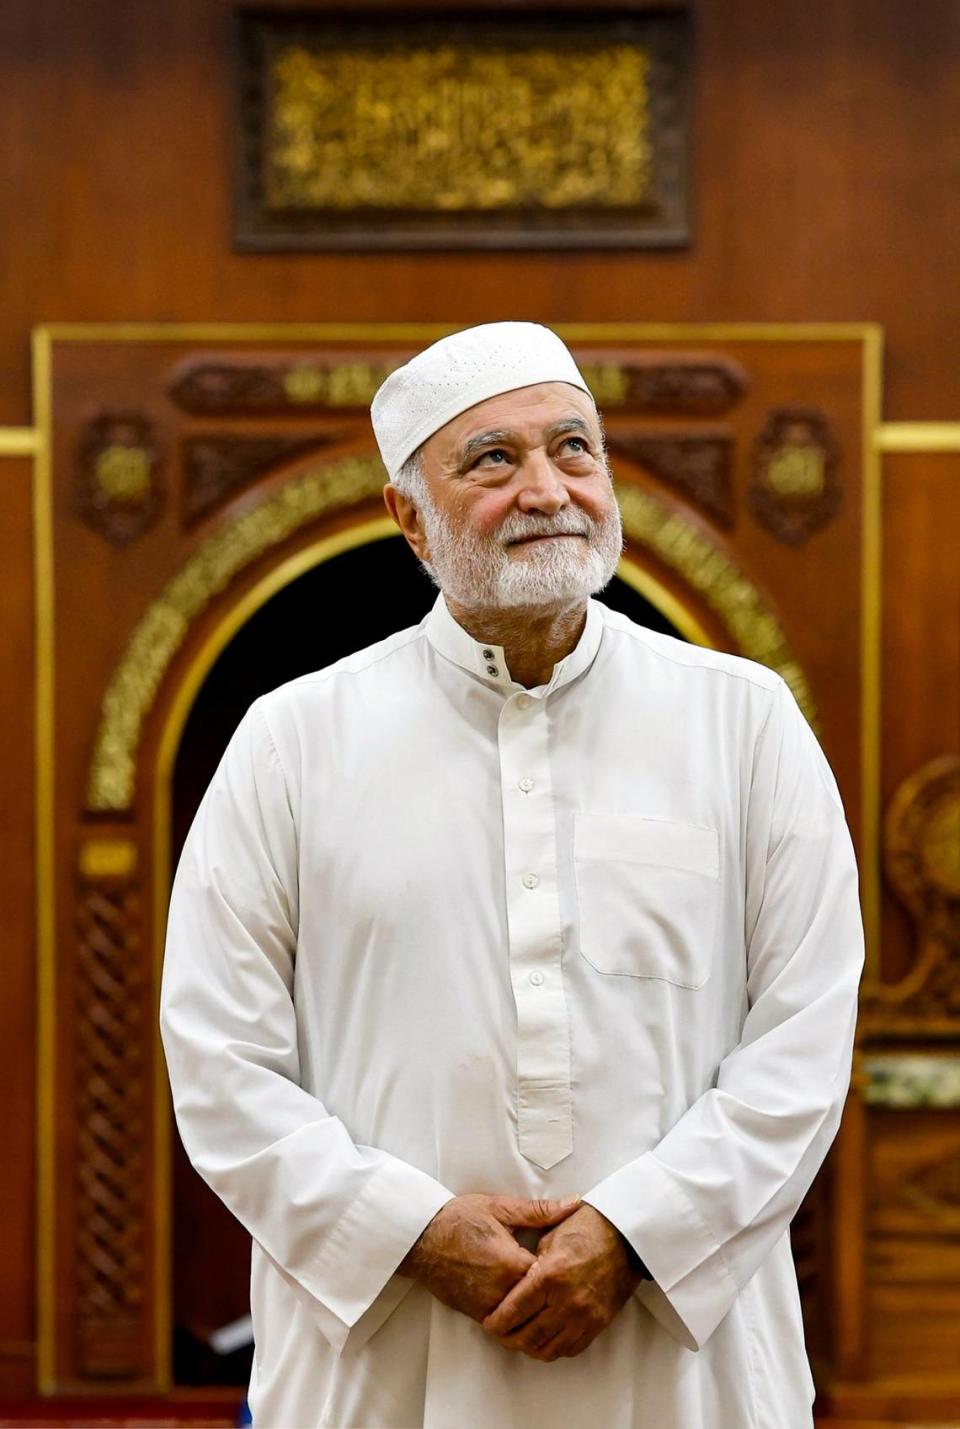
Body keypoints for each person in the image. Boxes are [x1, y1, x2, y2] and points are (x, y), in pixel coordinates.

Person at [160, 321, 864, 1428]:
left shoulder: (745, 721)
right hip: (389, 1354)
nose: (548, 488)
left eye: (574, 449)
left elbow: (805, 1042)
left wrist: (635, 1234)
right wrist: (410, 1232)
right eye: (493, 459)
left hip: (682, 1365)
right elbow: (218, 1061)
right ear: (411, 518)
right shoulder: (291, 740)